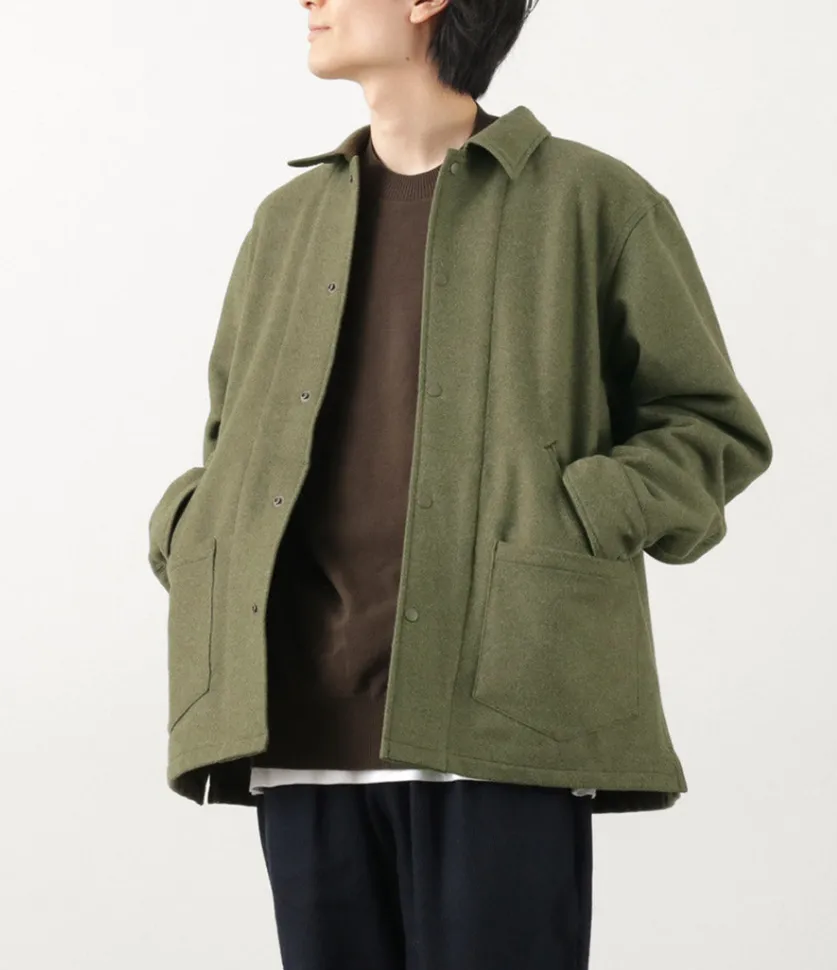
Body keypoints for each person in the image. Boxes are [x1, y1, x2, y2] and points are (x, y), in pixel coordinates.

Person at [146, 1, 773, 967]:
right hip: (300, 719)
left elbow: (710, 426)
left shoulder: (591, 201)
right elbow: (233, 433)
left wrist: (581, 513)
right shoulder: (286, 224)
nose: (308, 1)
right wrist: (197, 526)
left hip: (501, 712)